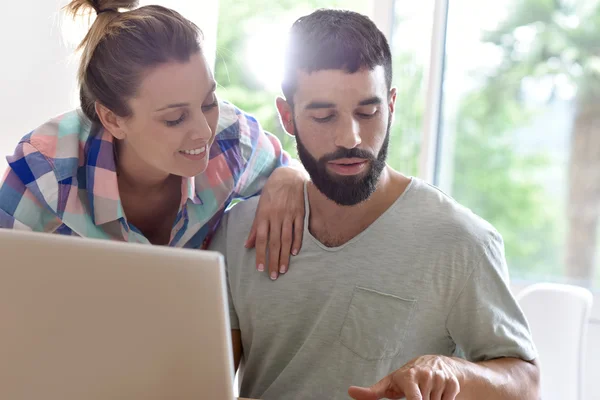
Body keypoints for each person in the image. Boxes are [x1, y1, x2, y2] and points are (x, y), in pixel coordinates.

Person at [210, 9, 540, 400]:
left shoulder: (460, 241)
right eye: (323, 115)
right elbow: (202, 379)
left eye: (369, 112)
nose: (350, 138)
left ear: (393, 104)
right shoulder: (240, 232)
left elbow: (526, 383)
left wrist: (453, 370)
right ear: (287, 116)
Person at [0, 0, 306, 279]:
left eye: (209, 102)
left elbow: (295, 175)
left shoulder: (232, 139)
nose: (204, 131)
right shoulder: (43, 170)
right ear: (113, 119)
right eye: (174, 118)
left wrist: (287, 175)